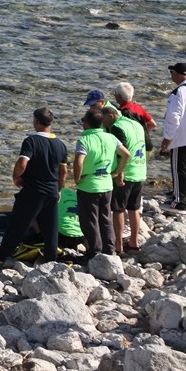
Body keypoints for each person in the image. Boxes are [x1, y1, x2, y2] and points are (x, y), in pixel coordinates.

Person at [0, 108, 68, 266]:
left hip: (33, 191)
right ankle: (51, 260)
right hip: (52, 191)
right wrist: (59, 189)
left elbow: (22, 163)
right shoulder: (61, 145)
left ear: (37, 122)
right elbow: (64, 171)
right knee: (50, 229)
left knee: (17, 225)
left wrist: (16, 177)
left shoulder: (31, 141)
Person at [73, 107, 129, 259]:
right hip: (106, 184)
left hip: (89, 185)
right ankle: (109, 249)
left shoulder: (84, 140)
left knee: (89, 220)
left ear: (87, 124)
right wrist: (117, 171)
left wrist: (77, 178)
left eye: (83, 120)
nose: (82, 123)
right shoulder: (111, 138)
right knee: (105, 218)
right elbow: (126, 154)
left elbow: (78, 162)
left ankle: (94, 250)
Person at [104, 104, 147, 252]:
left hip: (126, 173)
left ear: (111, 116)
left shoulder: (117, 127)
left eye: (104, 121)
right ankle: (134, 242)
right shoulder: (136, 123)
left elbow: (122, 152)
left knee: (118, 209)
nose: (104, 125)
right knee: (134, 208)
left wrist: (118, 172)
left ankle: (118, 245)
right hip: (140, 170)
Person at [161, 62, 186, 214]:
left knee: (179, 169)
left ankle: (179, 202)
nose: (171, 76)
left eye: (172, 73)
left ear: (178, 74)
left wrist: (167, 139)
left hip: (182, 139)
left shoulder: (178, 92)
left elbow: (173, 118)